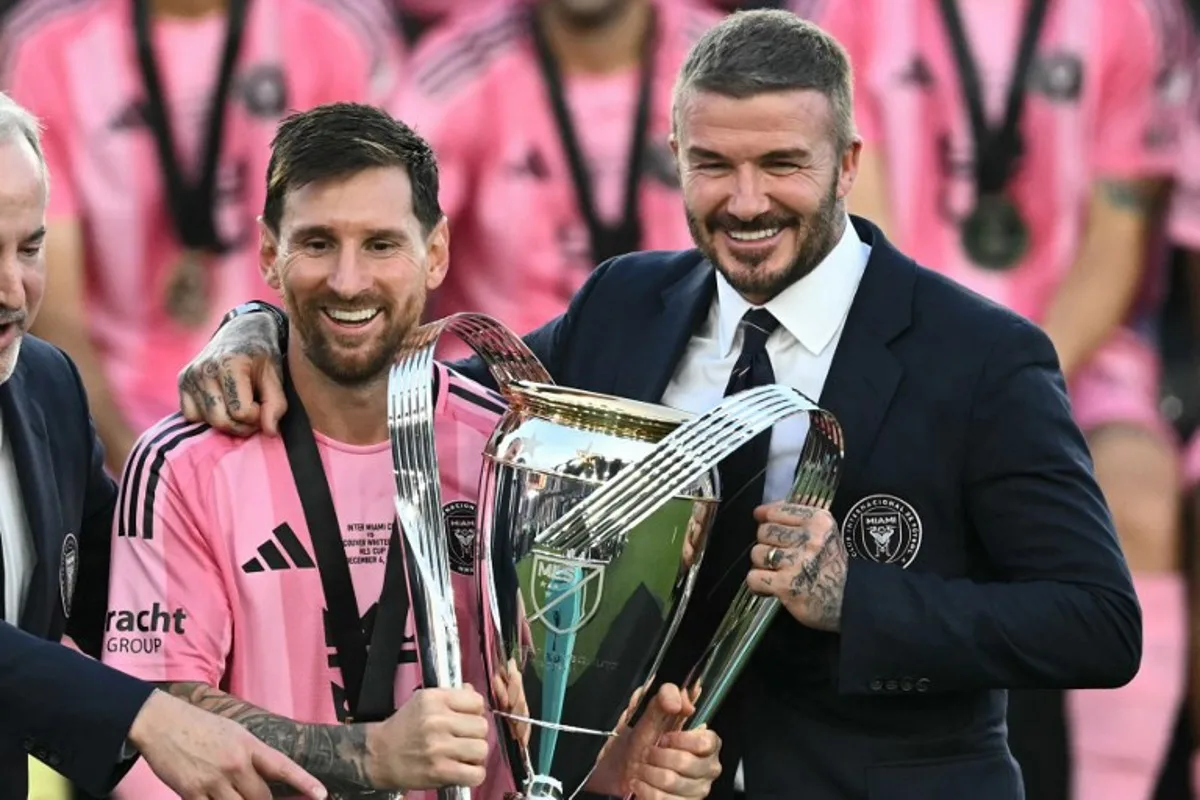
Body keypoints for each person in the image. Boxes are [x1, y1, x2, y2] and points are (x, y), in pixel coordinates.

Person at [182, 11, 1144, 800]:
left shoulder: (982, 356)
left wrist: (859, 601)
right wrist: (257, 327)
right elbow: (440, 386)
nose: (747, 201)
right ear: (673, 155)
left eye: (783, 164)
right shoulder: (625, 304)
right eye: (713, 165)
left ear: (848, 163)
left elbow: (1098, 623)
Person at [105, 102, 723, 799]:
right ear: (269, 256)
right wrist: (372, 755)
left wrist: (616, 766)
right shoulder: (185, 464)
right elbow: (153, 720)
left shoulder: (515, 455)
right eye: (316, 243)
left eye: (381, 245)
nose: (347, 280)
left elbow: (535, 718)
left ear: (436, 254)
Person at [811, 0, 1183, 797]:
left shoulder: (1129, 17)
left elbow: (1115, 243)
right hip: (900, 338)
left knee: (1143, 502)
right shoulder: (847, 11)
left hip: (1077, 353)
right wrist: (947, 373)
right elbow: (859, 220)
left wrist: (1013, 389)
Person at [0, 89, 327, 800]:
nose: (13, 291)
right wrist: (142, 717)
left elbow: (137, 593)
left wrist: (256, 323)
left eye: (30, 248)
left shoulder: (47, 387)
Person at [0, 0, 402, 476]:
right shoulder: (48, 43)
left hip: (287, 417)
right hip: (111, 431)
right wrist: (136, 467)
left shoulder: (332, 29)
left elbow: (363, 268)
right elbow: (52, 306)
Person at [394, 0, 718, 359]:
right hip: (500, 383)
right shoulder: (457, 71)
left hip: (690, 380)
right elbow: (386, 247)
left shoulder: (721, 62)